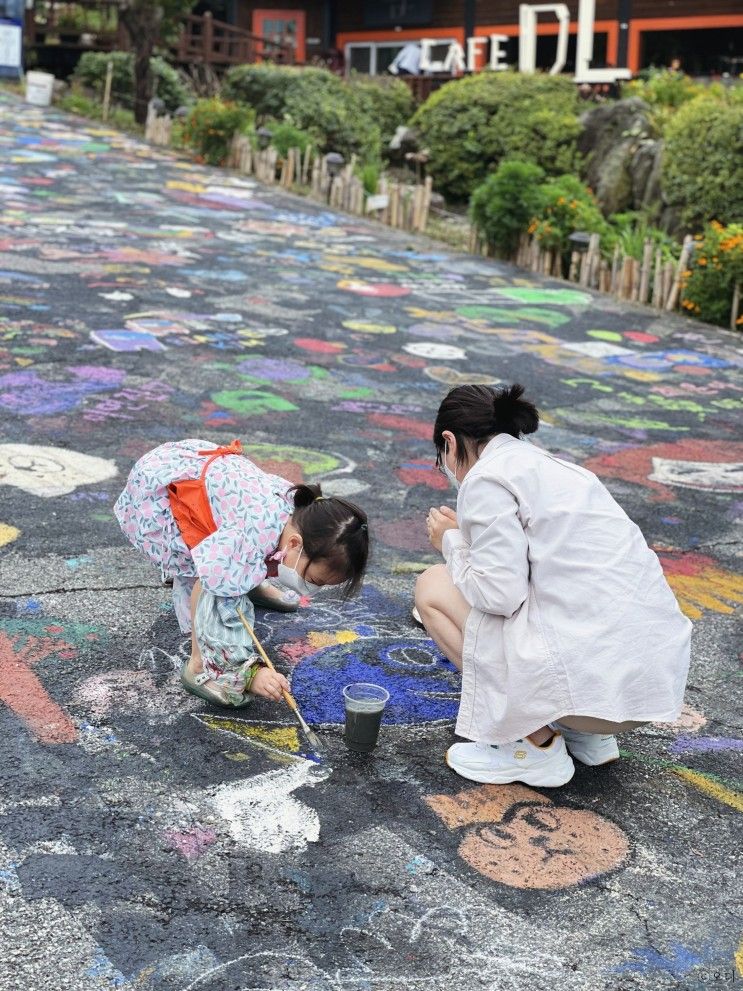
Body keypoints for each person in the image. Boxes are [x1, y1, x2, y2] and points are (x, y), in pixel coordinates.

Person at [415, 384, 691, 787]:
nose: (450, 473)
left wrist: (450, 544)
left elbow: (500, 596)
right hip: (645, 689)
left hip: (592, 689)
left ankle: (531, 746)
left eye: (443, 462)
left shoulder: (485, 479)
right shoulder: (560, 470)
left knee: (432, 589)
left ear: (449, 442)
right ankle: (586, 736)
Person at [115, 439, 368, 707]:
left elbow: (254, 551)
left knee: (235, 563)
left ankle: (246, 581)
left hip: (202, 480)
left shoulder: (300, 515)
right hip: (166, 491)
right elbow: (212, 591)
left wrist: (247, 573)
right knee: (214, 581)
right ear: (294, 544)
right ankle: (198, 666)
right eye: (314, 580)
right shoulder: (252, 537)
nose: (311, 589)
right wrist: (250, 673)